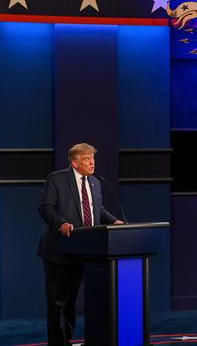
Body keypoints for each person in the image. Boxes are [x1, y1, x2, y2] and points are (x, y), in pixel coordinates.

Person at [37, 143, 123, 346]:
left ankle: (68, 339)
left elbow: (97, 209)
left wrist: (115, 221)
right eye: (86, 159)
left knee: (72, 304)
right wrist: (61, 224)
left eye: (93, 158)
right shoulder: (57, 179)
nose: (92, 162)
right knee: (58, 303)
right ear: (74, 162)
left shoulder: (94, 182)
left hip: (86, 251)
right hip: (59, 249)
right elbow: (45, 207)